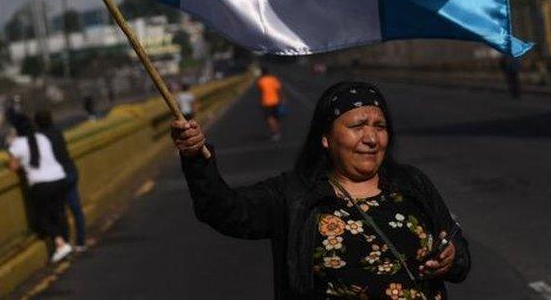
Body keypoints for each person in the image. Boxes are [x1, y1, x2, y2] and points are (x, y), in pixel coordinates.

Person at [173, 81, 470, 299]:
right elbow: (224, 211)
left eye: (379, 126)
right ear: (326, 138)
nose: (371, 138)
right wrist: (195, 158)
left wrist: (451, 256)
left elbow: (458, 252)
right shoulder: (293, 195)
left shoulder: (411, 184)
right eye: (357, 126)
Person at [7, 114, 73, 264]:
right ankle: (65, 244)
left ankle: (60, 244)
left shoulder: (17, 144)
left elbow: (13, 166)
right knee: (59, 213)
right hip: (58, 177)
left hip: (41, 184)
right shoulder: (42, 138)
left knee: (42, 218)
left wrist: (10, 144)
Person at [34, 109, 87, 252]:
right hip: (71, 170)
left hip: (58, 176)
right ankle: (81, 242)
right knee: (76, 209)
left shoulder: (40, 138)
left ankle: (65, 243)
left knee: (59, 212)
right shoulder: (58, 132)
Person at [256, 67, 284, 141]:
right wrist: (282, 98)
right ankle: (277, 131)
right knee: (276, 117)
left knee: (269, 118)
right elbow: (279, 89)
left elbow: (260, 91)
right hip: (276, 101)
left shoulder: (260, 81)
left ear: (262, 73)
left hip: (266, 102)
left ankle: (275, 132)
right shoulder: (273, 79)